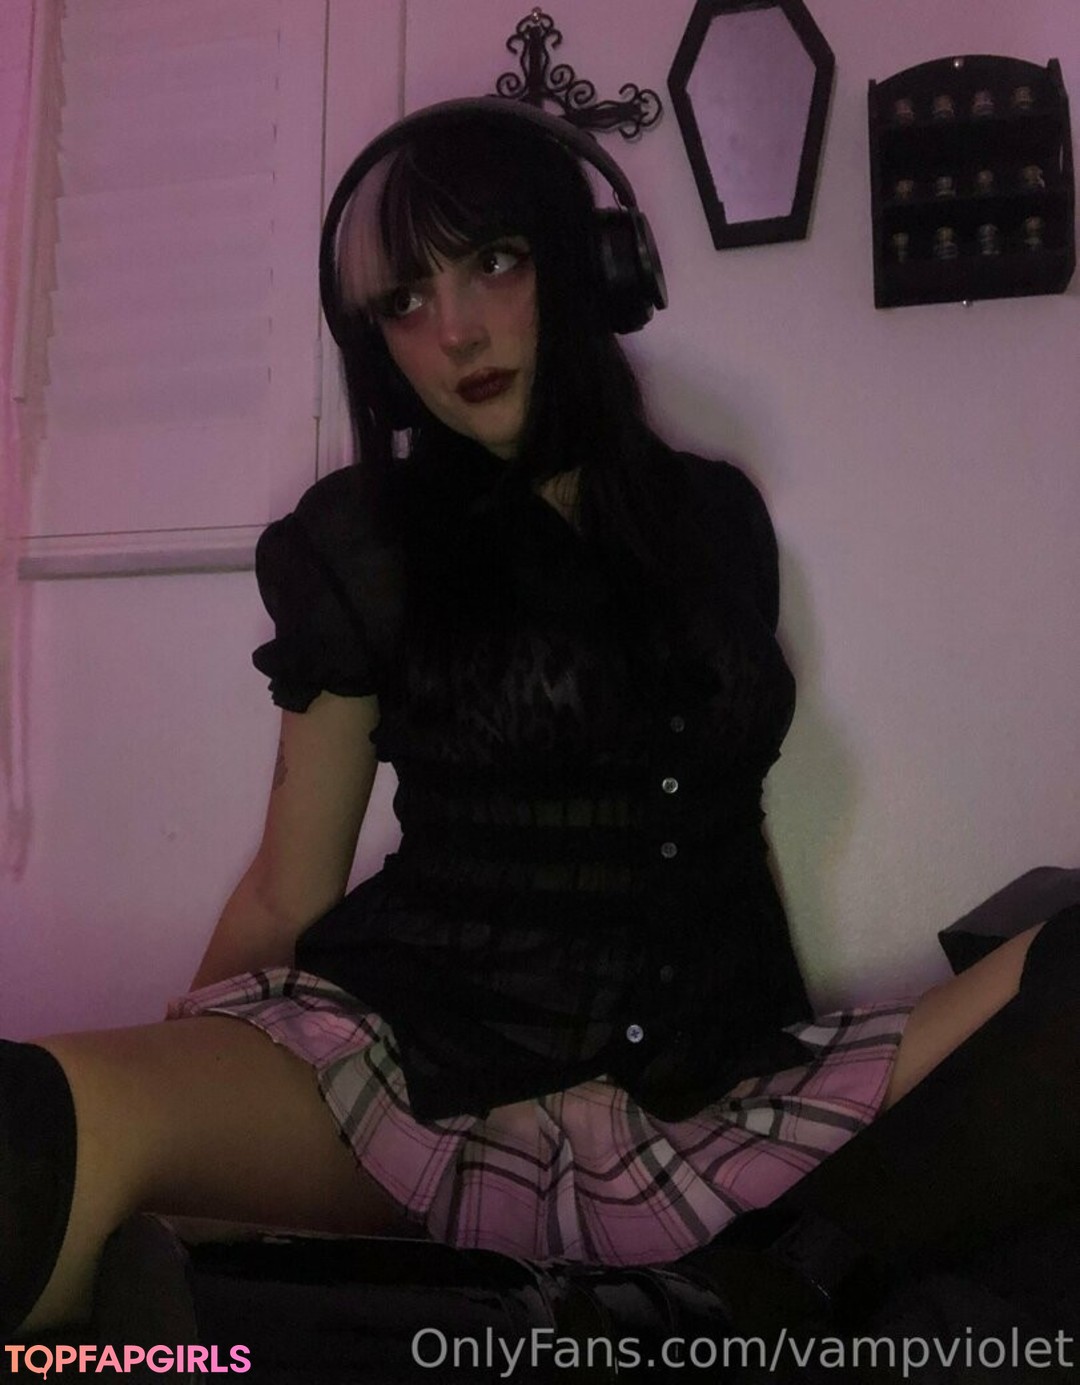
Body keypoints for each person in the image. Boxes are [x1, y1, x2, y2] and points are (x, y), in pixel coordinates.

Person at [2, 99, 1077, 1358]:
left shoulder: (716, 520)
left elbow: (728, 823)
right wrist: (182, 1076)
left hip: (713, 1072)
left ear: (588, 264)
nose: (454, 329)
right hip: (420, 1059)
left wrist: (785, 1073)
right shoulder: (362, 541)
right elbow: (288, 887)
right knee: (33, 1136)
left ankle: (755, 1293)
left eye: (494, 263)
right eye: (405, 300)